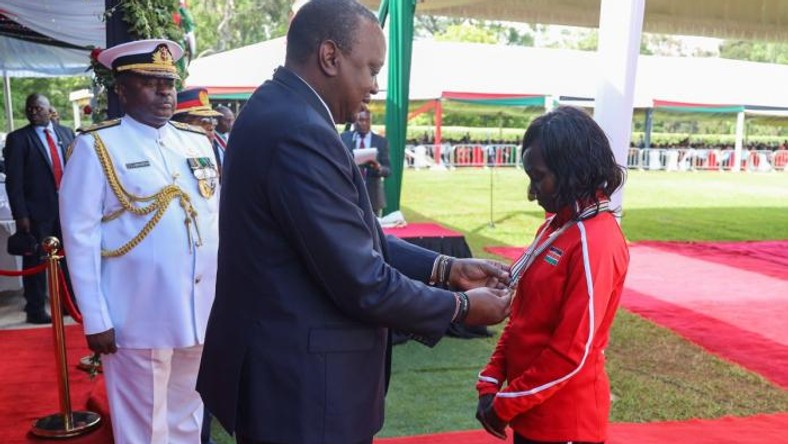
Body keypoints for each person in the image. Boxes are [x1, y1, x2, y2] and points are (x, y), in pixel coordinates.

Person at [197, 1, 512, 443]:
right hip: (303, 393)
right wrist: (461, 308)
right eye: (370, 69)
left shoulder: (283, 110)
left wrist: (445, 268)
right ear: (330, 57)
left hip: (292, 382)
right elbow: (362, 279)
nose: (375, 86)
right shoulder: (297, 130)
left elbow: (355, 235)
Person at [59, 39, 219, 444]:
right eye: (150, 82)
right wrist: (95, 318)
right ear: (122, 89)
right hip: (137, 313)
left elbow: (213, 222)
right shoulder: (97, 147)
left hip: (199, 309)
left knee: (189, 412)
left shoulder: (196, 142)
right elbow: (80, 237)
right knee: (143, 426)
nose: (165, 91)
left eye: (168, 81)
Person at [475, 106, 629, 444]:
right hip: (530, 416)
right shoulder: (556, 226)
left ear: (572, 171)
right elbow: (523, 319)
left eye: (538, 177)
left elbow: (570, 352)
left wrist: (505, 404)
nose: (532, 192)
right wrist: (491, 378)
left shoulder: (595, 240)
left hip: (565, 425)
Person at [3, 93, 74, 324]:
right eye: (29, 108)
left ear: (49, 109)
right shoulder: (18, 139)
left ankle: (68, 305)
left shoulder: (66, 133)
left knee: (68, 259)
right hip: (35, 213)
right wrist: (20, 215)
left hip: (66, 209)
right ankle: (34, 309)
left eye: (37, 108)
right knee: (35, 261)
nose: (33, 112)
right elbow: (14, 181)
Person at [341, 108, 391, 215]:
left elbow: (388, 170)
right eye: (361, 120)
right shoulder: (344, 138)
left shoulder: (381, 141)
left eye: (367, 120)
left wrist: (378, 168)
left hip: (373, 196)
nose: (364, 123)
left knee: (373, 229)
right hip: (349, 193)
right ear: (354, 122)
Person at [172, 87, 226, 175]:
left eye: (212, 121)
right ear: (180, 123)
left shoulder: (214, 146)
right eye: (204, 122)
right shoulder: (171, 151)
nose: (211, 128)